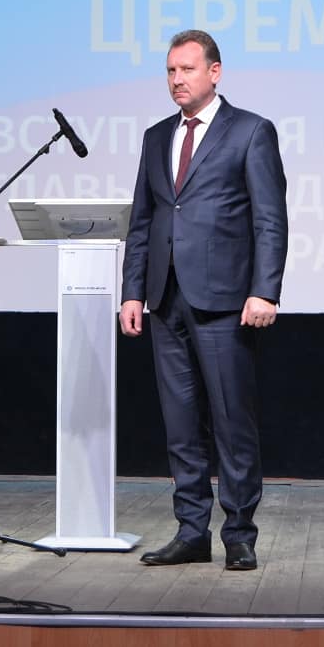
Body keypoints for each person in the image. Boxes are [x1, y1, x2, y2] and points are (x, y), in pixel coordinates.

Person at [119, 30, 288, 570]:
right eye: (170, 71)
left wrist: (265, 289)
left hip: (225, 301)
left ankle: (239, 532)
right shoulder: (156, 136)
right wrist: (132, 292)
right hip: (165, 300)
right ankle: (192, 530)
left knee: (232, 422)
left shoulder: (251, 131)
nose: (177, 80)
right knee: (180, 424)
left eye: (187, 69)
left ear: (215, 72)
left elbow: (270, 219)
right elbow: (143, 220)